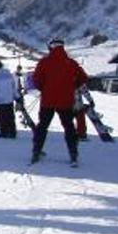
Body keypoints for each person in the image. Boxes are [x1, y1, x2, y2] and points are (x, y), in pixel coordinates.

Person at [31, 39, 89, 167]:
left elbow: (36, 80)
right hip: (66, 100)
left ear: (51, 48)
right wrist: (72, 86)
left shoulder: (44, 62)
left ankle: (36, 151)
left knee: (42, 126)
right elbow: (83, 78)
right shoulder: (71, 63)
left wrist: (45, 89)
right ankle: (73, 154)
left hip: (48, 100)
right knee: (69, 127)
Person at [0, 60, 19, 139]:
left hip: (0, 101)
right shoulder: (9, 74)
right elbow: (14, 87)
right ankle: (12, 132)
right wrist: (17, 97)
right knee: (11, 117)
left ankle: (4, 132)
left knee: (2, 117)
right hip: (9, 100)